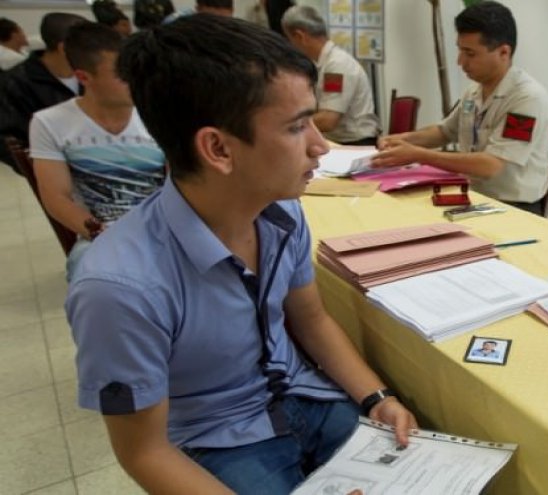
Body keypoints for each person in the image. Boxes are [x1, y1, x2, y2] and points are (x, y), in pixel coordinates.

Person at [66, 15, 417, 494]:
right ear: (218, 149)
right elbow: (143, 452)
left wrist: (377, 397)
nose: (320, 146)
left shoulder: (283, 213)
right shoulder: (118, 287)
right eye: (297, 127)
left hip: (304, 395)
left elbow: (311, 321)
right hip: (217, 436)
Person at [371, 1, 548, 215]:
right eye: (460, 50)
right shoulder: (474, 91)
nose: (460, 62)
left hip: (513, 208)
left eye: (470, 54)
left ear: (504, 52)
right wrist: (403, 140)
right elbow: (444, 131)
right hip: (472, 197)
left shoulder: (527, 98)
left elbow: (490, 165)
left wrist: (418, 155)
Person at [29, 22, 166, 281]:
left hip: (163, 225)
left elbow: (181, 181)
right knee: (92, 276)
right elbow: (57, 198)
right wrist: (106, 237)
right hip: (100, 233)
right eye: (122, 75)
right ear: (83, 77)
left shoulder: (157, 113)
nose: (135, 81)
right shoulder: (50, 122)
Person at [281, 6, 379, 146]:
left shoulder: (336, 65)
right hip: (339, 140)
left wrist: (287, 126)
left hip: (354, 143)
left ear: (299, 36)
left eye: (289, 39)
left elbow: (328, 120)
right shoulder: (323, 63)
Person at [0, 13, 86, 170]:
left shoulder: (91, 74)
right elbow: (10, 142)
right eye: (88, 44)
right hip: (53, 171)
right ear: (64, 48)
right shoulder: (15, 83)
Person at [164, 0, 235, 24]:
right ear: (198, 9)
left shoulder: (237, 31)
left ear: (232, 11)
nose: (217, 26)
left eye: (224, 21)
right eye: (210, 20)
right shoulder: (174, 23)